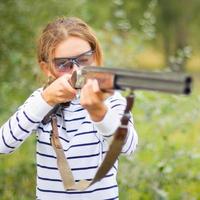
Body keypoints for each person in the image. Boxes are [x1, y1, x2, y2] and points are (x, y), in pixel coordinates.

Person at [0, 17, 138, 200]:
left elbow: (128, 146)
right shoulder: (40, 101)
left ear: (96, 58)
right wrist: (46, 100)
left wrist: (99, 112)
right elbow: (3, 144)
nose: (75, 70)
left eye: (84, 59)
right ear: (46, 68)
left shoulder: (111, 99)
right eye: (63, 64)